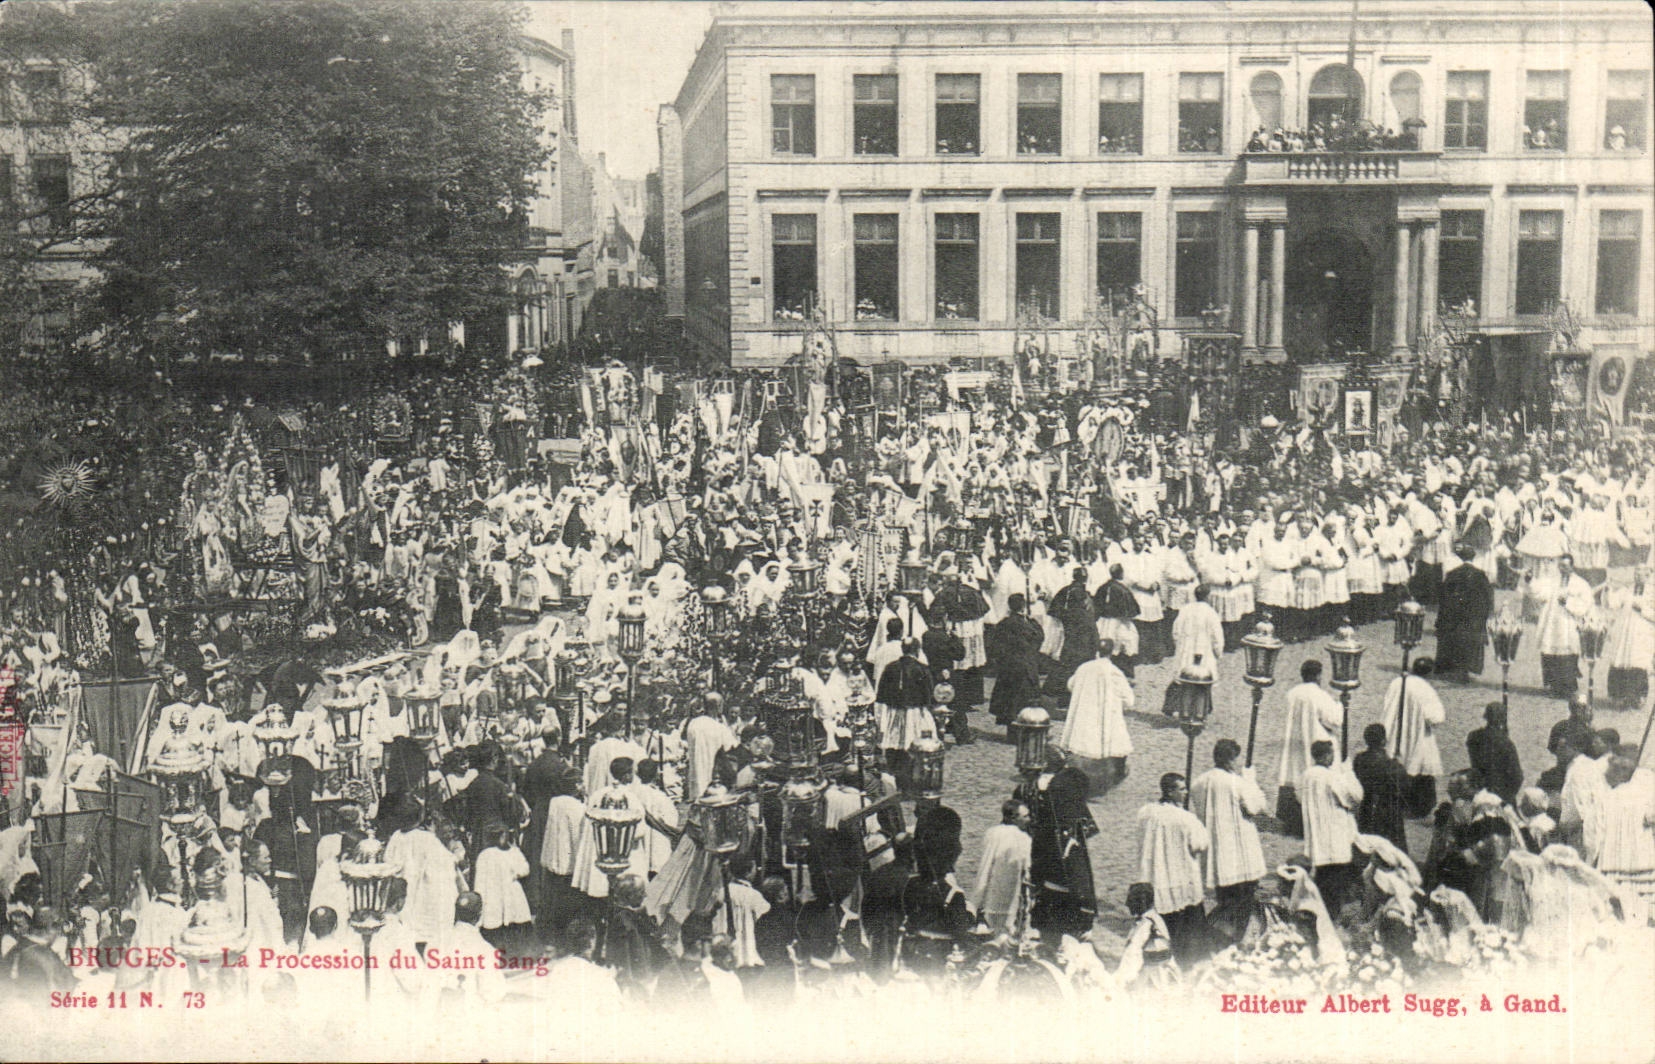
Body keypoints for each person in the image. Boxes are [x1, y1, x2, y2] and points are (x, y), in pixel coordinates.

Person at [1189, 738, 1268, 945]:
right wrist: (1251, 781)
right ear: (1229, 760)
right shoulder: (1236, 782)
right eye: (1236, 759)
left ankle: (1223, 935)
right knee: (1243, 899)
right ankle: (1232, 937)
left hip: (1216, 849)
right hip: (1240, 850)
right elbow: (1256, 806)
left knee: (1225, 897)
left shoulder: (1199, 782)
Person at [1136, 772, 1210, 966]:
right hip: (1180, 877)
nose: (1185, 793)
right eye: (1182, 789)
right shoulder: (1185, 818)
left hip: (1154, 877)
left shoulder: (1146, 813)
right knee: (1186, 928)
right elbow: (1200, 844)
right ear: (1170, 792)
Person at [1276, 659, 1343, 837]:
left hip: (1295, 743)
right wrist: (1340, 706)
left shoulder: (1292, 693)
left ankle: (1292, 823)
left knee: (1296, 775)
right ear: (1318, 675)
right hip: (1316, 741)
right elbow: (1334, 720)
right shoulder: (1320, 696)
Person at [1061, 639, 1134, 792]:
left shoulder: (1084, 667)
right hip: (1106, 714)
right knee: (1112, 744)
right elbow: (1129, 700)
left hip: (1084, 712)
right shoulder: (1113, 671)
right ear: (1112, 652)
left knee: (1084, 744)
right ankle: (1107, 780)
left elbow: (1070, 685)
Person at [1300, 740, 1363, 917]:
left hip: (1317, 834)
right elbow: (1355, 796)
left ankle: (1320, 914)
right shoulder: (1331, 777)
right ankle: (1331, 916)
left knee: (1322, 878)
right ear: (1327, 755)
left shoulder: (1307, 775)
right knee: (1334, 883)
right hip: (1333, 835)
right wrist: (1348, 773)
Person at [1378, 657, 1445, 818]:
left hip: (1394, 730)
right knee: (1420, 764)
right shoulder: (1426, 689)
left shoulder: (1397, 682)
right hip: (1417, 733)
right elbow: (1436, 717)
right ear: (1429, 673)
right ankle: (1417, 807)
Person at [1434, 542, 1495, 683]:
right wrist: (1486, 614)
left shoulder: (1453, 573)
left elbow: (1443, 596)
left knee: (1455, 640)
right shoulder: (1481, 575)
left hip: (1455, 615)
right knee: (1470, 642)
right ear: (1473, 558)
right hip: (1474, 617)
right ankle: (1467, 670)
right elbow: (1488, 596)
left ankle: (1452, 668)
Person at [1536, 554, 1594, 699]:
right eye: (1560, 566)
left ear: (1572, 567)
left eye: (1566, 566)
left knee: (1567, 658)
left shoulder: (1581, 584)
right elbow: (1540, 594)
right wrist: (1530, 581)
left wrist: (1568, 602)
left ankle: (1567, 688)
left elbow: (1586, 605)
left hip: (1568, 625)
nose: (1562, 569)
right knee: (1551, 655)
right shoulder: (1552, 581)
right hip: (1552, 624)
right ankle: (1553, 686)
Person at [970, 799, 1032, 936]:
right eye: (1025, 816)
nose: (1029, 819)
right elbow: (1027, 871)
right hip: (1010, 901)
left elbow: (986, 864)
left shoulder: (992, 833)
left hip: (989, 898)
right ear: (1013, 818)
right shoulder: (1025, 839)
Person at [474, 822, 533, 954]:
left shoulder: (487, 855)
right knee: (507, 922)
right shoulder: (501, 854)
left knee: (504, 922)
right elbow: (524, 869)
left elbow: (479, 881)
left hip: (500, 894)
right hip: (502, 894)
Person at [987, 593, 1045, 727]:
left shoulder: (1003, 624)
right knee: (1024, 699)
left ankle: (1010, 727)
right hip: (1025, 665)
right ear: (1023, 607)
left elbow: (995, 646)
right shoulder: (1028, 625)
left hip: (1008, 667)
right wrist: (1032, 621)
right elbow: (1039, 638)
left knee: (1009, 699)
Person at [1351, 724, 1409, 856]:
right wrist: (1399, 765)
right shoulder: (1391, 765)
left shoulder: (1359, 759)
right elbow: (1404, 786)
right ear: (1384, 741)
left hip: (1366, 806)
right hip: (1387, 810)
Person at [1466, 702, 1524, 805]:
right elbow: (1517, 776)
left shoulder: (1473, 737)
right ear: (1502, 719)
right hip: (1501, 794)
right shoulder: (1506, 743)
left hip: (1478, 790)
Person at [1170, 584, 1224, 678]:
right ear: (1208, 597)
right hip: (1204, 651)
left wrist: (1179, 646)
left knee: (1184, 676)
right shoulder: (1211, 613)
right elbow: (1217, 637)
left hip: (1185, 651)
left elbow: (1176, 631)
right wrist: (1218, 652)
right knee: (1203, 678)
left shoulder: (1185, 609)